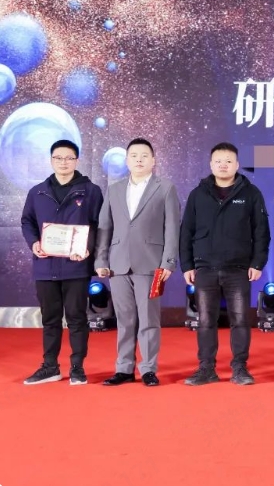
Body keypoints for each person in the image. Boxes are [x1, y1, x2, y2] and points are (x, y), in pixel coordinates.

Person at [179, 142, 270, 386]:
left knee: (240, 320)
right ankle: (206, 368)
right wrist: (187, 265)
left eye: (228, 161)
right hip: (205, 268)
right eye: (218, 161)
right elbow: (186, 231)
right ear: (211, 165)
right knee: (205, 320)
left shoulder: (251, 194)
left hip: (238, 268)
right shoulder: (198, 194)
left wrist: (258, 263)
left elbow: (261, 232)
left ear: (237, 165)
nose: (223, 165)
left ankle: (239, 367)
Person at [95, 138, 180, 387]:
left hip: (151, 264)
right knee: (125, 319)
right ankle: (124, 368)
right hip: (118, 264)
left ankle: (148, 369)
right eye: (134, 155)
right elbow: (104, 227)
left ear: (153, 160)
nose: (139, 160)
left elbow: (172, 228)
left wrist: (168, 262)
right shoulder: (114, 189)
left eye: (144, 155)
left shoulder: (165, 188)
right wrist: (101, 259)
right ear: (127, 160)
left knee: (149, 319)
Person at [21, 140, 103, 385]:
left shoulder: (91, 191)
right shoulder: (37, 192)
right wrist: (34, 243)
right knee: (50, 319)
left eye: (69, 158)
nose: (63, 162)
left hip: (76, 266)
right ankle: (50, 367)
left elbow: (99, 225)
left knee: (77, 318)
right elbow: (27, 221)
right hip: (45, 266)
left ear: (77, 160)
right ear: (51, 160)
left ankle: (77, 367)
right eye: (58, 158)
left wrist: (87, 248)